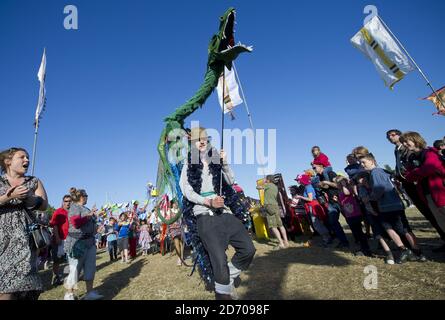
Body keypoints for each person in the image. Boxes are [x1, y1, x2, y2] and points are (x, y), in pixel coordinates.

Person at [180, 127, 256, 300]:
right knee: (219, 264)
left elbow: (230, 181)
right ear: (192, 143)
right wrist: (207, 201)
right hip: (205, 215)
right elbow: (186, 189)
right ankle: (223, 292)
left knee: (248, 249)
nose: (202, 141)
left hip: (225, 211)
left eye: (204, 138)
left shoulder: (215, 158)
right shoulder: (189, 162)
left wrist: (225, 163)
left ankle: (227, 279)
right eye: (198, 139)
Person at [0, 147, 48, 300]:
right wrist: (9, 197)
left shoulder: (34, 181)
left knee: (27, 284)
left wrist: (29, 198)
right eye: (22, 157)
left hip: (27, 237)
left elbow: (44, 204)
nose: (27, 160)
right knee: (5, 285)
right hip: (3, 239)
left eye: (27, 157)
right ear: (8, 161)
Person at [360, 153, 426, 263]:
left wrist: (370, 198)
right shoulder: (382, 171)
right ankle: (407, 250)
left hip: (389, 205)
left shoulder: (375, 172)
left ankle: (417, 252)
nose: (362, 165)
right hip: (391, 205)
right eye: (361, 163)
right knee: (393, 229)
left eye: (364, 162)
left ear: (372, 161)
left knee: (401, 229)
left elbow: (380, 189)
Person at [387, 129, 445, 252]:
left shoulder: (428, 152)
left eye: (407, 141)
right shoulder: (407, 154)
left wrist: (412, 174)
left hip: (439, 190)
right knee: (438, 219)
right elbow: (408, 171)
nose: (406, 144)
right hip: (426, 191)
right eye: (389, 136)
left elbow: (429, 167)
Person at [64, 188, 103, 300]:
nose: (87, 197)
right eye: (86, 195)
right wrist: (89, 215)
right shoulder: (74, 207)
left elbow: (90, 224)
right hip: (77, 243)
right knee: (74, 269)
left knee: (90, 268)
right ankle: (69, 294)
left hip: (90, 243)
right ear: (82, 197)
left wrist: (96, 229)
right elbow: (76, 223)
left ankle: (89, 292)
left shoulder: (86, 208)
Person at [312, 161, 350, 248]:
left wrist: (327, 182)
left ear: (321, 166)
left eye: (315, 167)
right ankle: (343, 241)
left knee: (350, 220)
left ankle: (359, 239)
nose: (314, 170)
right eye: (313, 168)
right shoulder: (319, 177)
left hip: (340, 200)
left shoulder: (330, 173)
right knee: (333, 222)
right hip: (331, 202)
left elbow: (338, 185)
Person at [334, 176, 372, 256]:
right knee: (356, 232)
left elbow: (347, 193)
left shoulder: (348, 188)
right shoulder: (340, 191)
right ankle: (363, 248)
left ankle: (366, 249)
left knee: (359, 232)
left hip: (355, 213)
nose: (336, 185)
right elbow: (342, 203)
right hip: (349, 214)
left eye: (338, 183)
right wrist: (337, 200)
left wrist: (344, 185)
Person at [294, 174, 331, 247]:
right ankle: (326, 238)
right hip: (311, 206)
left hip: (313, 206)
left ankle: (327, 239)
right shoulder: (306, 187)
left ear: (302, 180)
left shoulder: (308, 187)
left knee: (317, 224)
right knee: (317, 224)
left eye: (298, 180)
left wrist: (300, 196)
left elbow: (310, 199)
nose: (298, 181)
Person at [257, 175, 289, 250]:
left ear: (268, 180)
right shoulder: (275, 186)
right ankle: (286, 242)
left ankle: (281, 243)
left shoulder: (267, 185)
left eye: (265, 179)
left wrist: (263, 182)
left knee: (273, 226)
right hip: (275, 205)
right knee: (280, 225)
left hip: (269, 206)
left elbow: (258, 187)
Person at [49, 195, 71, 286]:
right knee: (57, 260)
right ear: (63, 202)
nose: (68, 203)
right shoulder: (58, 212)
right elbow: (54, 225)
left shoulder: (73, 212)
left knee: (71, 259)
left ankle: (71, 276)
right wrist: (57, 237)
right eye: (66, 201)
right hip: (59, 240)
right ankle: (56, 277)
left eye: (69, 201)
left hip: (70, 239)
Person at [167, 200, 184, 266]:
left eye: (176, 203)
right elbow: (167, 220)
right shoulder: (169, 211)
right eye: (174, 203)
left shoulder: (180, 210)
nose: (175, 205)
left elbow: (182, 219)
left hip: (180, 228)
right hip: (173, 229)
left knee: (181, 243)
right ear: (172, 204)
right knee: (176, 243)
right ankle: (179, 258)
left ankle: (181, 256)